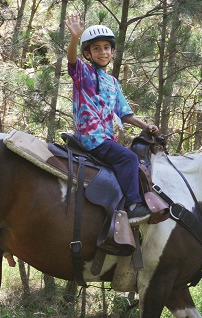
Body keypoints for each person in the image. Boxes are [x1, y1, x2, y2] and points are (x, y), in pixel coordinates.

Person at [65, 13, 159, 225]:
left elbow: (125, 113)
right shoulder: (83, 73)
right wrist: (74, 38)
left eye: (106, 47)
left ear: (112, 51)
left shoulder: (112, 82)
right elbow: (71, 59)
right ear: (88, 54)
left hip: (107, 139)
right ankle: (134, 206)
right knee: (129, 158)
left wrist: (146, 126)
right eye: (96, 48)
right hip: (92, 138)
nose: (102, 52)